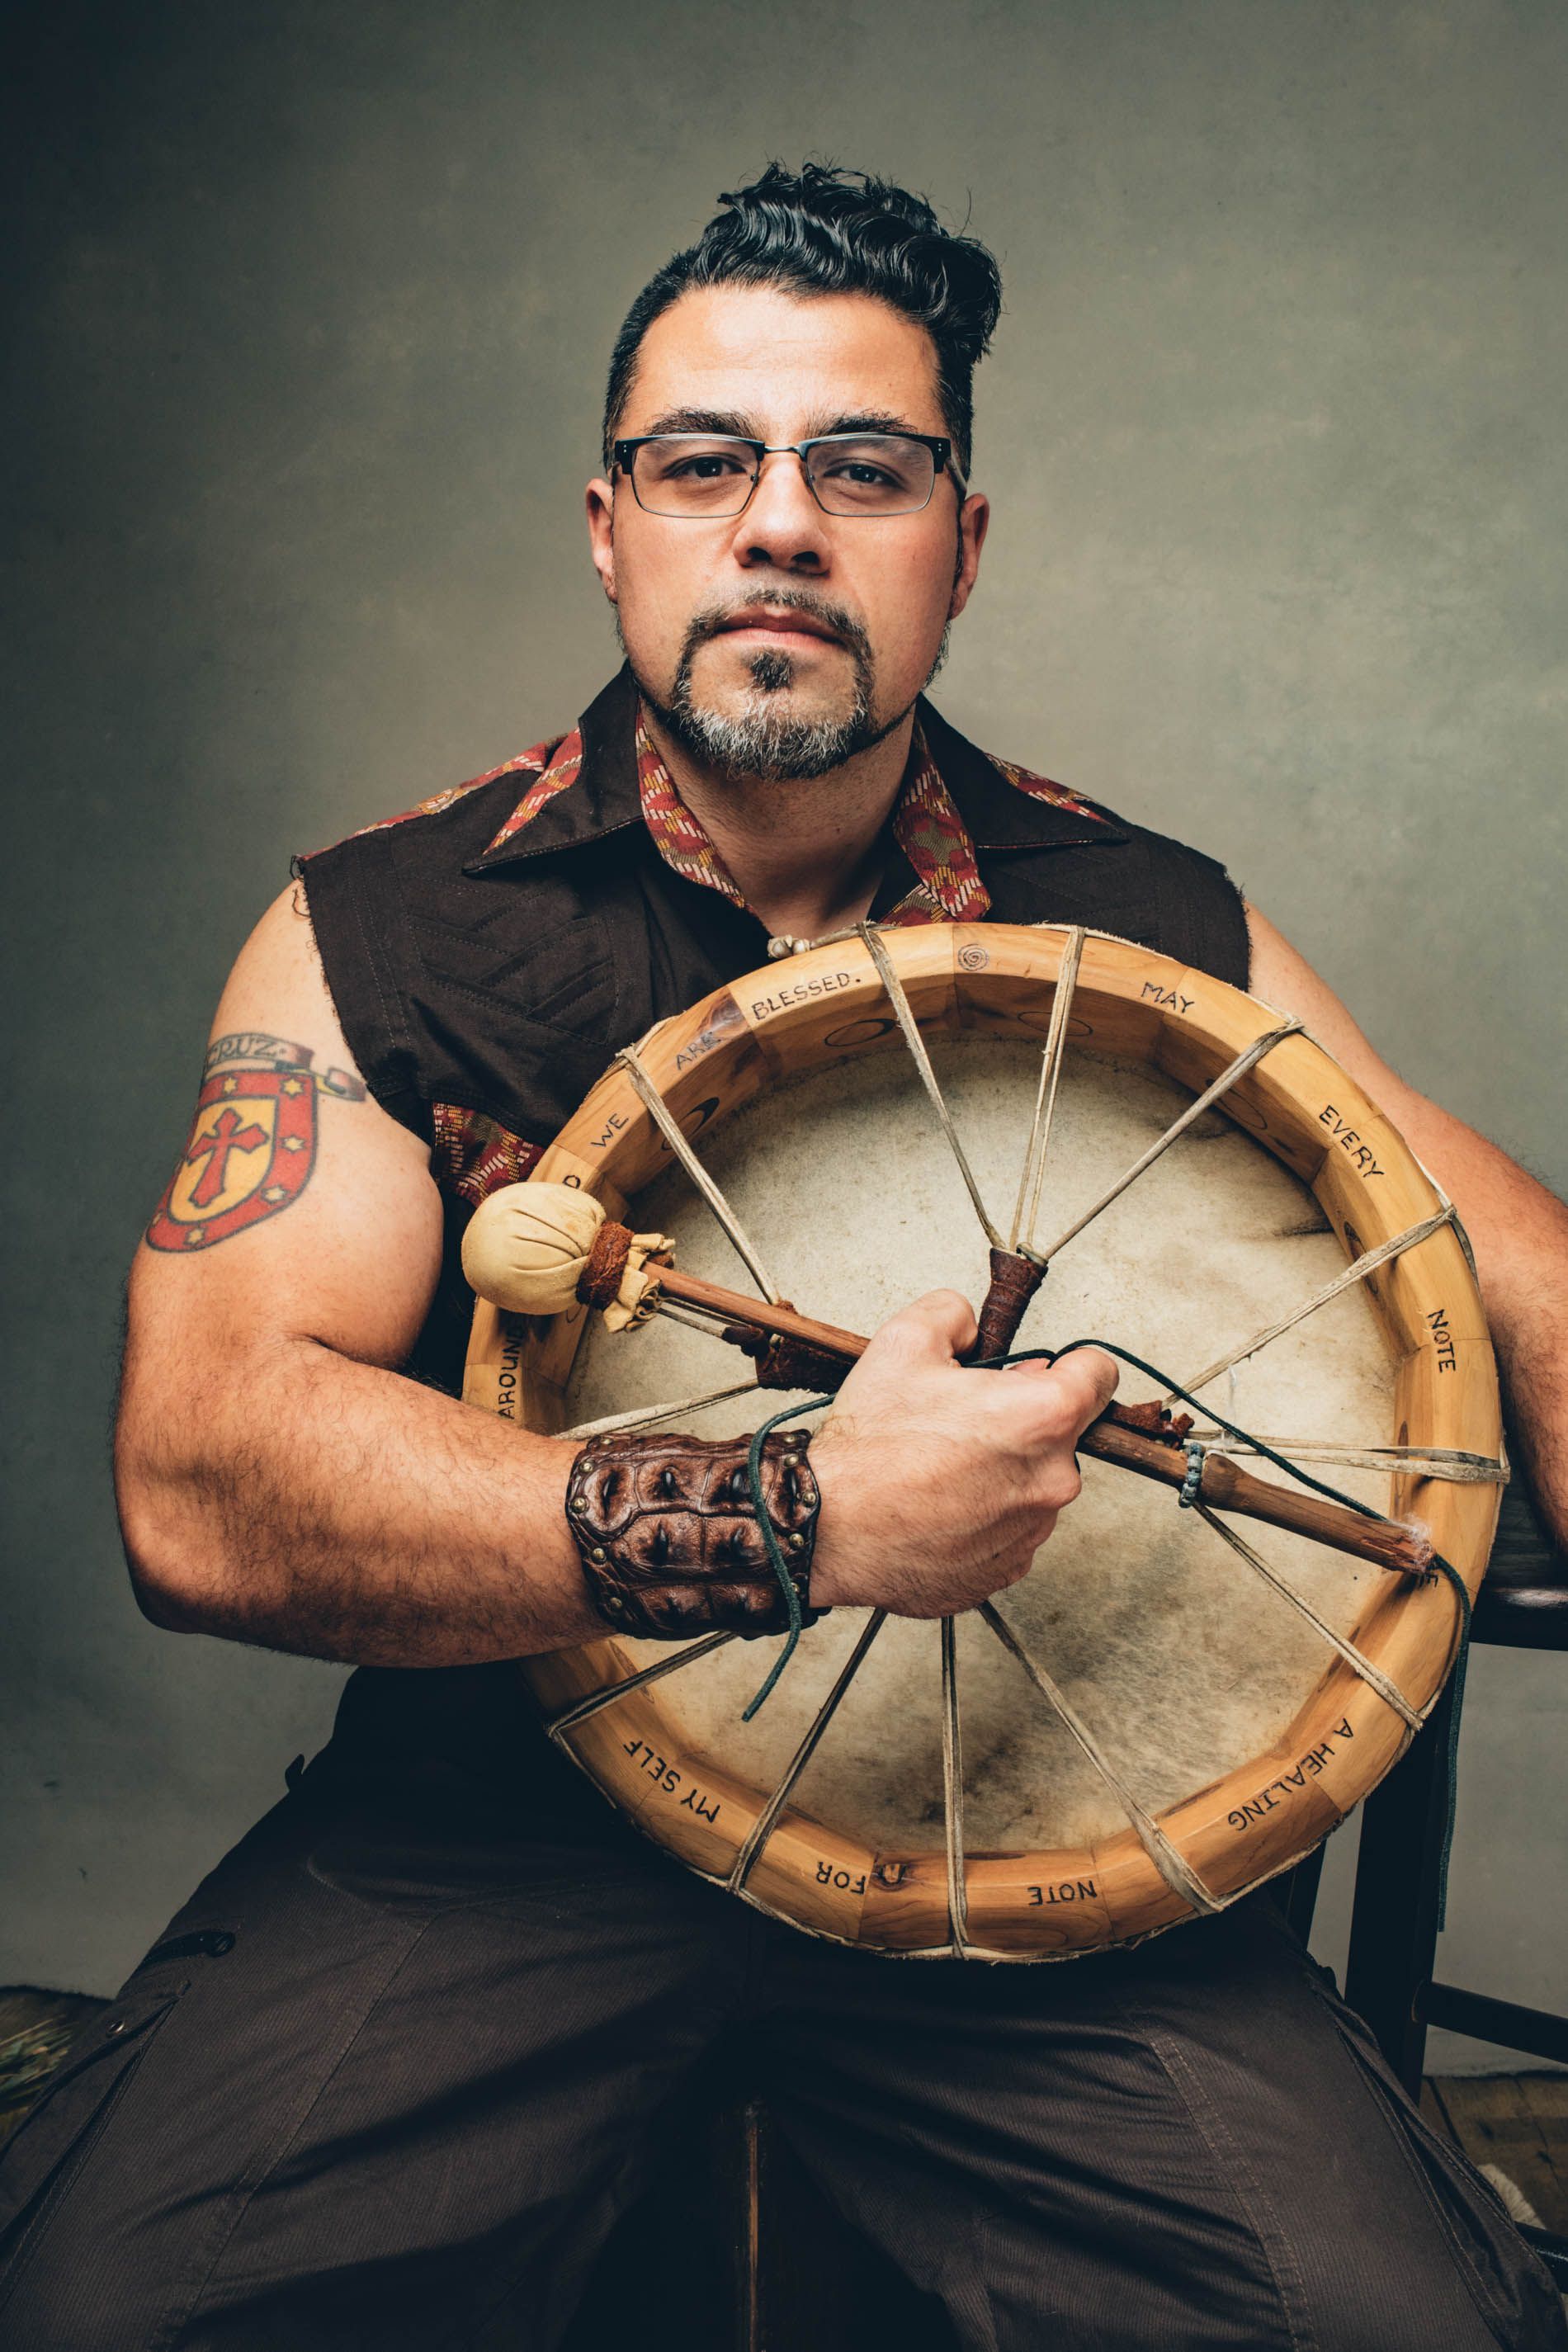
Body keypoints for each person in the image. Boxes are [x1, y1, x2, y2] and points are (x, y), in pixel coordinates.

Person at [2, 163, 1564, 2352]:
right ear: (608, 523)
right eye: (702, 461)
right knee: (110, 2309)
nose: (779, 524)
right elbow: (202, 1470)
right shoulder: (384, 932)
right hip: (492, 1841)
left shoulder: (1153, 923)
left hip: (1042, 1887)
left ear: (961, 543)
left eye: (866, 467)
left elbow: (1497, 1286)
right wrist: (804, 1512)